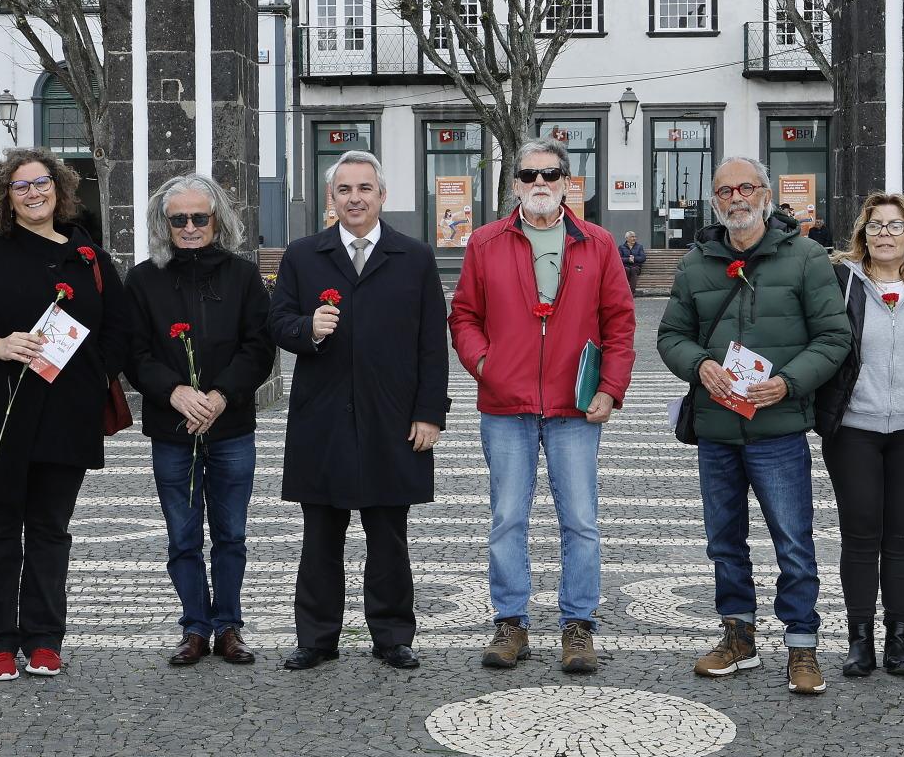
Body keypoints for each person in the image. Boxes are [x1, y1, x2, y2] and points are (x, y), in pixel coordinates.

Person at [0, 148, 127, 681]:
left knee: (49, 532)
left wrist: (89, 379)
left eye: (42, 183)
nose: (34, 193)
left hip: (65, 417)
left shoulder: (89, 257)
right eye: (21, 186)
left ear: (59, 189)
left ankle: (43, 639)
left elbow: (120, 329)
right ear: (5, 197)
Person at [656, 156, 850, 696]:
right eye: (724, 190)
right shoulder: (697, 263)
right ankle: (737, 636)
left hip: (778, 427)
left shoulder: (807, 258)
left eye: (746, 187)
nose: (735, 198)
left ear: (765, 193)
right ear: (714, 200)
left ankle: (803, 645)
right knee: (724, 541)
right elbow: (671, 335)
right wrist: (700, 365)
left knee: (792, 540)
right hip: (717, 429)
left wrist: (788, 383)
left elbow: (834, 338)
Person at [449, 140, 637, 674]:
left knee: (580, 519)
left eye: (550, 174)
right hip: (505, 403)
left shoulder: (597, 244)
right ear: (514, 184)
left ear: (566, 181)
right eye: (529, 174)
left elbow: (620, 324)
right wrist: (485, 365)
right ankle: (511, 622)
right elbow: (463, 316)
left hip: (574, 406)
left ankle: (578, 626)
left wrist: (611, 387)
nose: (539, 182)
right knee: (508, 517)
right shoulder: (485, 242)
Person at [267, 150, 449, 671]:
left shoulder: (412, 256)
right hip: (321, 419)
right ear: (332, 198)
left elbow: (431, 344)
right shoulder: (304, 255)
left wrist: (429, 413)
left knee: (389, 535)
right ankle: (317, 636)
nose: (355, 198)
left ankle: (393, 635)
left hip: (392, 417)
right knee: (320, 535)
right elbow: (277, 322)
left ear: (382, 195)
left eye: (364, 189)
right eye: (344, 190)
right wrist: (307, 329)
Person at [125, 173, 275, 667]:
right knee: (182, 535)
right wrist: (176, 392)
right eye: (178, 219)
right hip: (172, 429)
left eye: (198, 217)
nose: (189, 227)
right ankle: (194, 626)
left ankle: (228, 625)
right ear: (164, 224)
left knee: (231, 533)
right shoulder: (144, 279)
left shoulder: (243, 275)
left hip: (230, 427)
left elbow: (259, 348)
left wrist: (219, 396)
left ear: (217, 220)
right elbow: (134, 352)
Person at [814, 193, 904, 680]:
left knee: (903, 536)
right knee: (859, 535)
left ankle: (899, 639)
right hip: (854, 427)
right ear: (863, 233)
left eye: (895, 226)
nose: (884, 234)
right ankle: (859, 640)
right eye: (875, 226)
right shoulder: (840, 281)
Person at [619, 230, 647, 295]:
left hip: (636, 267)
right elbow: (619, 259)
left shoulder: (639, 247)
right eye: (632, 237)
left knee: (633, 270)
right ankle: (624, 291)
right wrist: (628, 259)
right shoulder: (621, 247)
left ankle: (631, 293)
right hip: (626, 267)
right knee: (626, 270)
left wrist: (634, 258)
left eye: (635, 237)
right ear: (627, 238)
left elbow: (643, 258)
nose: (634, 238)